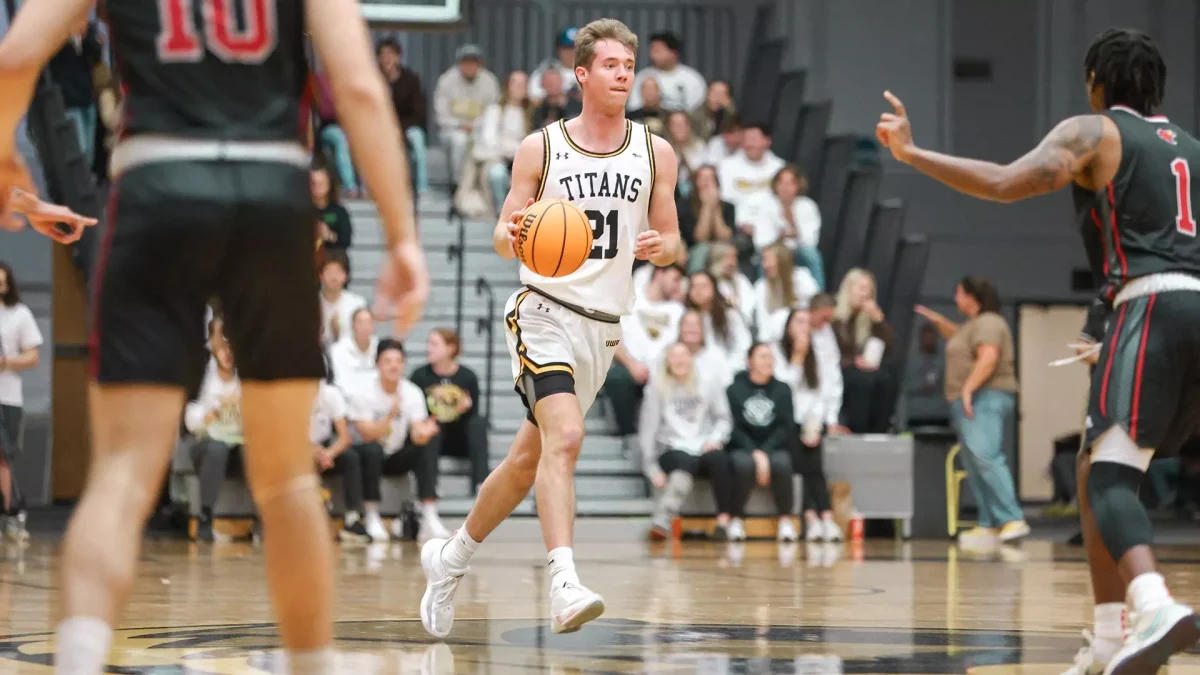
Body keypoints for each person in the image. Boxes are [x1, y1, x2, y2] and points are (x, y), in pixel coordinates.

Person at [0, 1, 429, 674]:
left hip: (156, 182)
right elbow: (360, 88)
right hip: (270, 189)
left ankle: (78, 662)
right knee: (287, 479)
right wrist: (403, 237)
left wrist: (2, 153)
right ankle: (311, 664)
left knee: (120, 475)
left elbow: (17, 55)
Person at [876, 28, 1200, 674]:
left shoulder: (1097, 133)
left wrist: (913, 156)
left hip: (1152, 305)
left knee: (1110, 476)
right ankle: (1111, 635)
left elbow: (1004, 181)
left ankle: (1153, 600)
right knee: (1088, 464)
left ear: (1097, 84)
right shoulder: (1192, 149)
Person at [418, 17, 680, 638]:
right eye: (611, 65)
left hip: (604, 325)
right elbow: (501, 233)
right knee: (565, 438)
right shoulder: (542, 147)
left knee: (524, 461)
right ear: (581, 74)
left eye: (628, 65)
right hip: (544, 312)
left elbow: (673, 240)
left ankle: (449, 559)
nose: (623, 74)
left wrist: (658, 247)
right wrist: (513, 233)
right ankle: (564, 582)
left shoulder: (655, 151)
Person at [917, 277, 1028, 545]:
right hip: (970, 399)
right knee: (973, 462)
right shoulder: (973, 326)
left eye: (959, 294)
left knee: (986, 456)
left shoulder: (989, 322)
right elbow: (958, 338)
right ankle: (989, 522)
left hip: (984, 397)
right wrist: (937, 320)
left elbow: (988, 358)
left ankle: (1011, 518)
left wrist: (967, 389)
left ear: (972, 296)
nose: (955, 299)